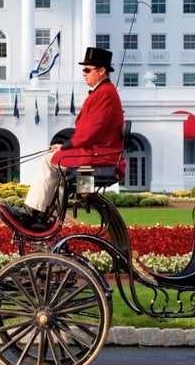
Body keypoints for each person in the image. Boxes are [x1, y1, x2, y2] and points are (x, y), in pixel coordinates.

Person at [12, 46, 125, 228]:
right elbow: (88, 132)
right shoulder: (103, 92)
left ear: (102, 70)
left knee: (49, 161)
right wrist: (65, 146)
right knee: (52, 158)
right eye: (83, 70)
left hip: (100, 154)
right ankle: (42, 212)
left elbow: (91, 132)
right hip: (98, 151)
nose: (84, 74)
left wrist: (65, 147)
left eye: (88, 70)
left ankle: (33, 213)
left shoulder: (105, 94)